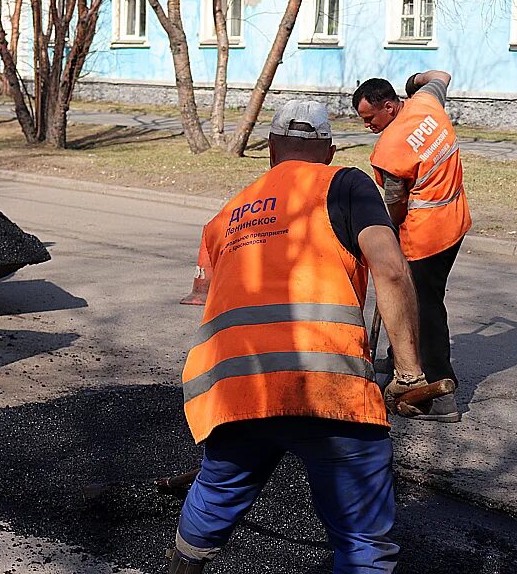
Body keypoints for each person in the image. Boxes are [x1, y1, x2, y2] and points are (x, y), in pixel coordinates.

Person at [168, 100, 428, 574]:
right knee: (361, 535)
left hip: (238, 390)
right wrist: (409, 374)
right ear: (328, 151)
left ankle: (183, 566)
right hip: (330, 388)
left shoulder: (231, 211)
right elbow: (390, 268)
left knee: (217, 490)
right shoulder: (346, 184)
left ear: (270, 149)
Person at [351, 71, 471, 422]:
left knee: (422, 307)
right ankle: (402, 358)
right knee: (423, 299)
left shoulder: (390, 151)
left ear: (388, 107)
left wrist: (384, 240)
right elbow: (442, 76)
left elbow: (394, 207)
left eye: (370, 118)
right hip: (456, 220)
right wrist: (414, 80)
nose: (367, 126)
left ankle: (439, 392)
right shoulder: (427, 102)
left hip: (427, 235)